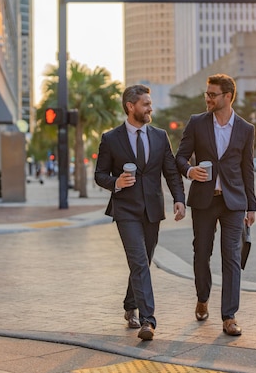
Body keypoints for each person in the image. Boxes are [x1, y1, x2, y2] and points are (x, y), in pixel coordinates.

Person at [95, 84, 186, 341]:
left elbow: (170, 171)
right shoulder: (111, 139)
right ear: (130, 106)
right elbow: (99, 174)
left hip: (153, 209)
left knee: (142, 262)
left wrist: (179, 199)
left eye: (150, 103)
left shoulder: (159, 136)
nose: (150, 108)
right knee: (138, 261)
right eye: (145, 104)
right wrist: (116, 182)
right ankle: (148, 320)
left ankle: (129, 305)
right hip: (125, 210)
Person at [175, 73, 256, 336]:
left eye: (212, 94)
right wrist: (190, 171)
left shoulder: (246, 129)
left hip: (233, 202)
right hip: (204, 201)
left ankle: (229, 316)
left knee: (232, 256)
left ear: (228, 96)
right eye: (206, 94)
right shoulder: (197, 123)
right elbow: (180, 157)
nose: (208, 98)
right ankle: (202, 297)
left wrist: (251, 206)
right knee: (201, 253)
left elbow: (248, 169)